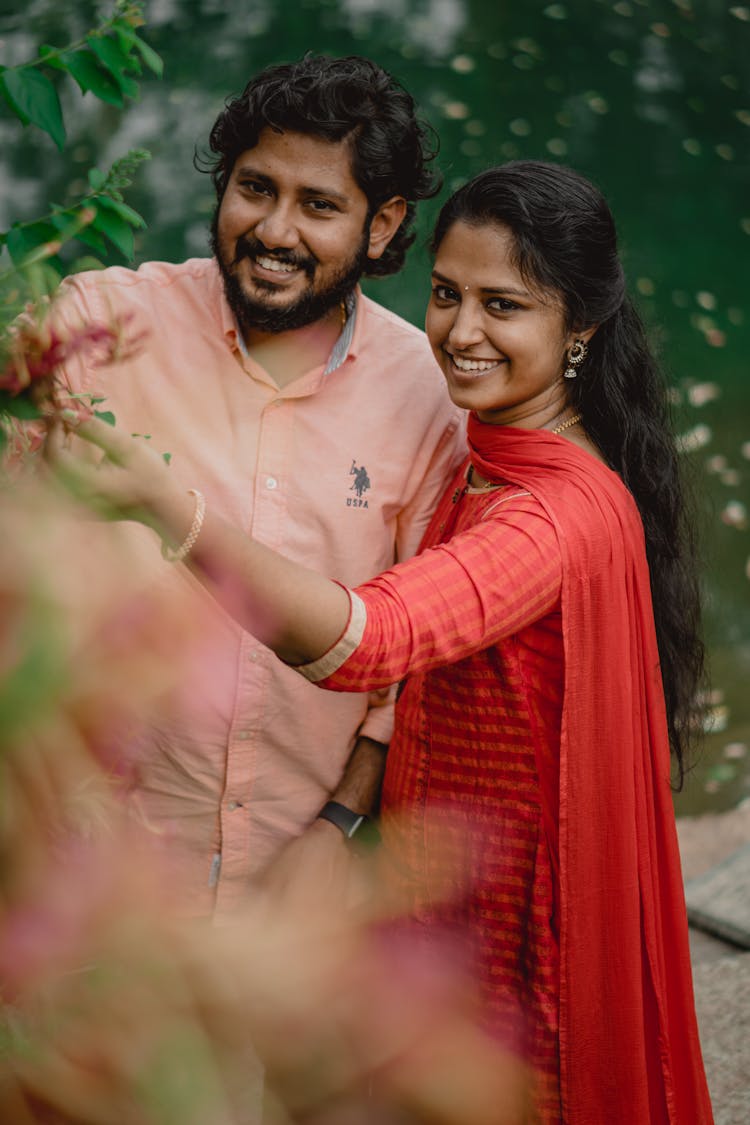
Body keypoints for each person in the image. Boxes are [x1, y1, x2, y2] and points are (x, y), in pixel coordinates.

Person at [51, 160, 713, 1123]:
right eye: (446, 295)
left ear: (580, 329)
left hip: (518, 911)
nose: (462, 332)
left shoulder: (552, 516)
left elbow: (373, 640)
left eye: (505, 306)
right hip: (448, 885)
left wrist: (171, 511)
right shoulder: (490, 456)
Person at [45, 54, 465, 919]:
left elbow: (416, 660)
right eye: (255, 188)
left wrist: (344, 822)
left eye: (318, 205)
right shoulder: (102, 325)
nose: (274, 231)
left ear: (382, 225)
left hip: (291, 886)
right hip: (89, 868)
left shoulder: (429, 396)